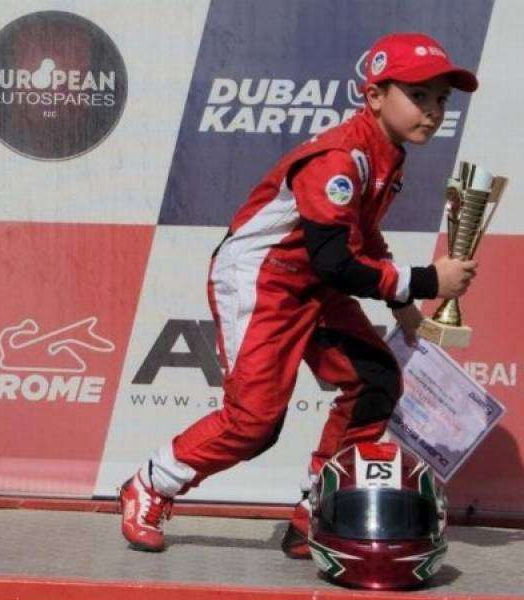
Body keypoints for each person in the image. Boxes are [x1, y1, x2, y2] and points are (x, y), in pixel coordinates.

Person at [120, 32, 479, 554]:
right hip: (264, 280)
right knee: (254, 423)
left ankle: (316, 512)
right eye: (418, 95)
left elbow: (361, 237)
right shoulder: (339, 157)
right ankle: (151, 484)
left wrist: (404, 304)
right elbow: (337, 262)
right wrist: (425, 281)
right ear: (375, 95)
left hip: (313, 280)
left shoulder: (387, 153)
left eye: (441, 99)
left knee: (375, 380)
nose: (433, 110)